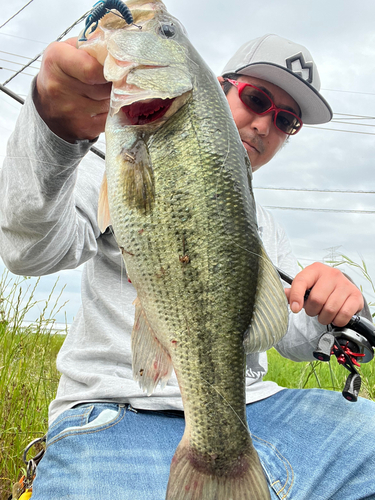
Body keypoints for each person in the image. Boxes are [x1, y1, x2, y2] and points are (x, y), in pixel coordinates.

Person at [0, 29, 374, 499]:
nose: (265, 125)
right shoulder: (116, 160)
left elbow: (287, 334)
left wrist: (338, 304)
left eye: (286, 121)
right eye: (256, 99)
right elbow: (30, 251)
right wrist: (53, 132)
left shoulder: (264, 222)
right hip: (118, 410)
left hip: (254, 407)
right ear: (217, 89)